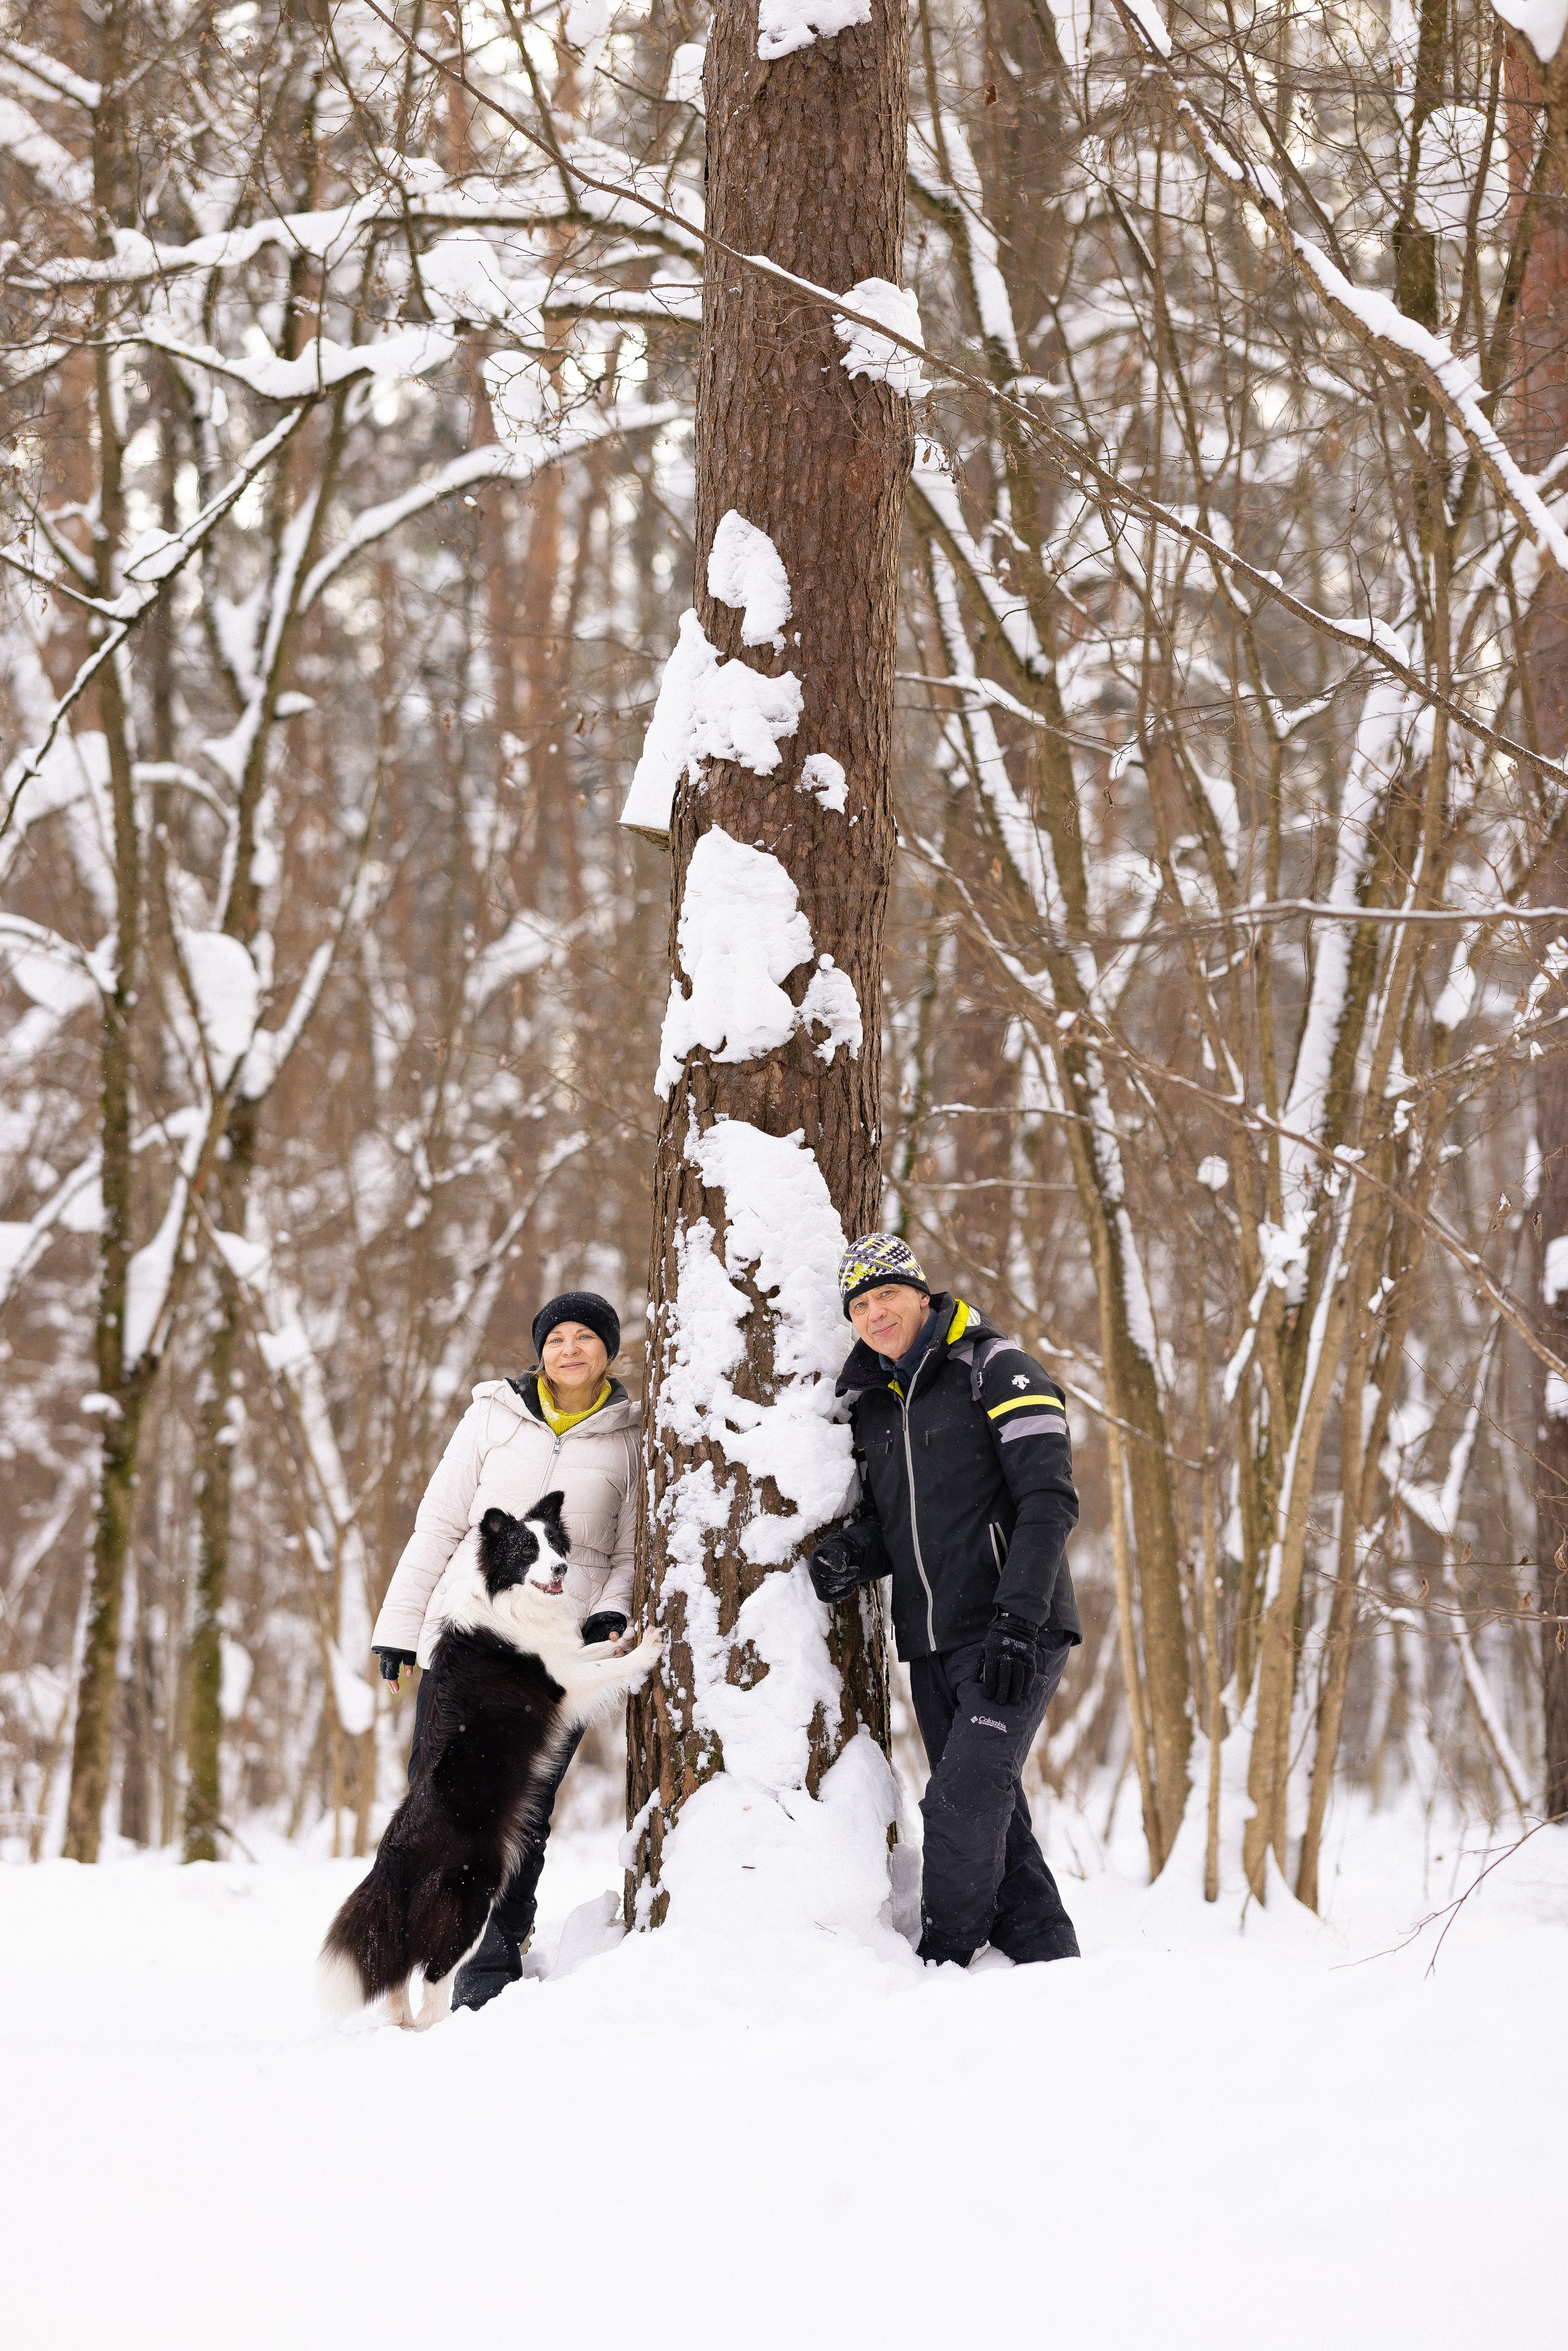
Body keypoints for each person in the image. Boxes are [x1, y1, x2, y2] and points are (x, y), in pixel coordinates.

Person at [810, 1234, 1082, 1968]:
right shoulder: (872, 1401)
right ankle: (1047, 1963)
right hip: (929, 1642)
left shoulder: (995, 1368)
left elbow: (1049, 1501)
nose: (875, 1314)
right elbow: (899, 1524)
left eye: (887, 1295)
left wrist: (1019, 1621)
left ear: (922, 1295)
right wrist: (854, 1554)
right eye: (860, 1305)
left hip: (1011, 1630)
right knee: (996, 1810)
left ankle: (944, 1962)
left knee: (960, 1803)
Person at [370, 1291, 637, 2009]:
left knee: (523, 1806)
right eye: (558, 1338)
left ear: (609, 1351)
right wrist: (398, 1628)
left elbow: (631, 1550)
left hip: (556, 1653)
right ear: (540, 1349)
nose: (570, 1349)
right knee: (435, 1800)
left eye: (587, 1337)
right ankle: (411, 1953)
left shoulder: (630, 1435)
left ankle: (492, 1962)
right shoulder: (494, 1414)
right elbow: (439, 1525)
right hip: (466, 1641)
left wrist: (609, 1614)